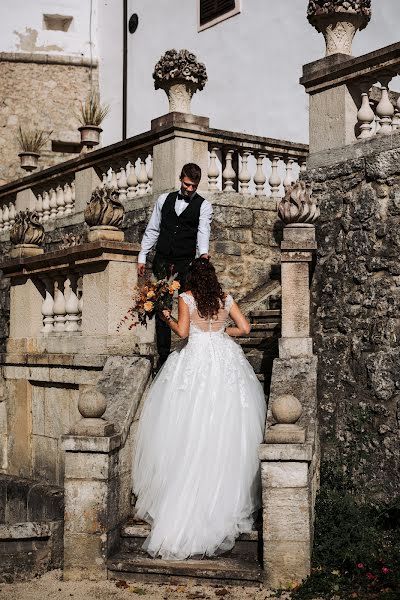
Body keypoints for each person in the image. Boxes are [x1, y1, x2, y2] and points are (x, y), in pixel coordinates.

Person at [132, 258, 266, 561]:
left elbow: (182, 333)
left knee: (185, 421)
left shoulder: (186, 298)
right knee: (225, 421)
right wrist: (220, 334)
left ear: (191, 279)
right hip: (223, 357)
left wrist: (164, 315)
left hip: (195, 357)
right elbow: (244, 328)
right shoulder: (224, 298)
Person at [138, 163, 213, 367]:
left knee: (187, 307)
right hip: (162, 261)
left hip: (186, 262)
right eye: (187, 184)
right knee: (160, 306)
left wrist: (203, 255)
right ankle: (163, 356)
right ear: (181, 179)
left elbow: (203, 231)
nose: (190, 189)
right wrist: (142, 256)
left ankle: (189, 354)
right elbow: (153, 229)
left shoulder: (204, 206)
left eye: (194, 186)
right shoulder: (164, 200)